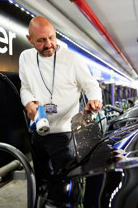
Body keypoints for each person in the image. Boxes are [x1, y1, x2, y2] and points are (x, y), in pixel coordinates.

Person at [19, 16, 103, 176]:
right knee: (42, 182)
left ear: (55, 32)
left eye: (51, 37)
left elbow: (91, 86)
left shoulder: (72, 59)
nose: (49, 44)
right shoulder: (25, 58)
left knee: (66, 183)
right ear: (29, 39)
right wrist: (28, 102)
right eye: (41, 40)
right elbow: (25, 88)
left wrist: (94, 99)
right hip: (39, 131)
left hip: (65, 134)